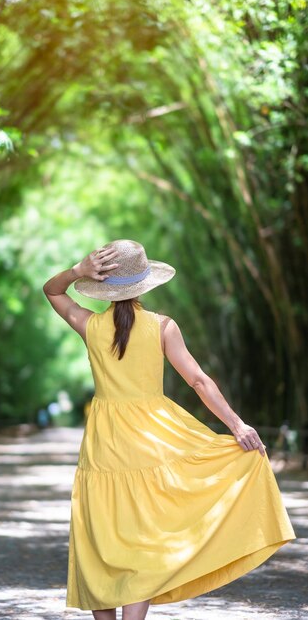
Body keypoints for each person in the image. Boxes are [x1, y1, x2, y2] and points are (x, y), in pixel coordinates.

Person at [43, 239, 296, 620]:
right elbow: (199, 381)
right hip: (154, 437)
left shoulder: (89, 324)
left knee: (103, 538)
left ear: (105, 286)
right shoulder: (162, 326)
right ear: (144, 284)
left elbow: (51, 289)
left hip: (104, 444)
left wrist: (78, 271)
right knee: (144, 541)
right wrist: (237, 424)